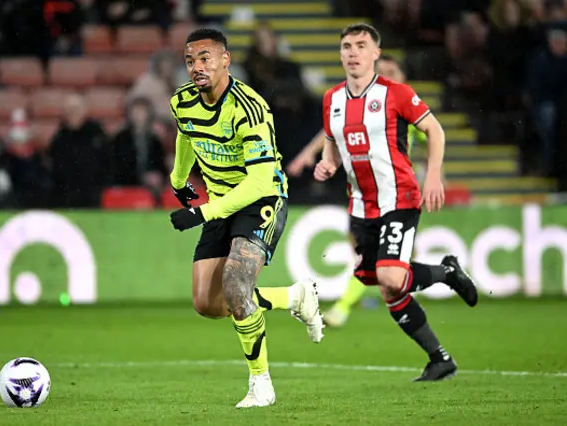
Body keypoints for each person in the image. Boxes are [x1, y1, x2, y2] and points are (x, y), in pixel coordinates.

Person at [167, 28, 324, 408]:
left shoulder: (250, 108)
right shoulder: (182, 102)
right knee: (207, 303)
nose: (197, 67)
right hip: (222, 202)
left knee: (236, 283)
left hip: (261, 199)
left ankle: (261, 385)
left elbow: (257, 181)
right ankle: (294, 296)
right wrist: (179, 180)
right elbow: (187, 136)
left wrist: (201, 211)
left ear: (226, 60)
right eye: (190, 60)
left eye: (205, 58)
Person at [315, 23, 478, 382]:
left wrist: (433, 175)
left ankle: (447, 274)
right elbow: (331, 143)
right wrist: (327, 163)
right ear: (340, 54)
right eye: (346, 46)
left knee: (391, 275)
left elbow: (434, 130)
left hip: (399, 198)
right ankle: (439, 358)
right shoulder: (332, 99)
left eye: (361, 45)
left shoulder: (397, 93)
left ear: (376, 53)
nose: (353, 52)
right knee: (388, 287)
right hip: (360, 206)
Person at [287, 54, 428, 328]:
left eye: (391, 72)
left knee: (377, 255)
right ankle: (420, 283)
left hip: (396, 193)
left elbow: (430, 134)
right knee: (373, 253)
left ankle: (344, 307)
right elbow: (331, 131)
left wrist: (435, 175)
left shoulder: (408, 106)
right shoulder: (365, 104)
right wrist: (308, 155)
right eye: (381, 72)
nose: (384, 78)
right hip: (364, 191)